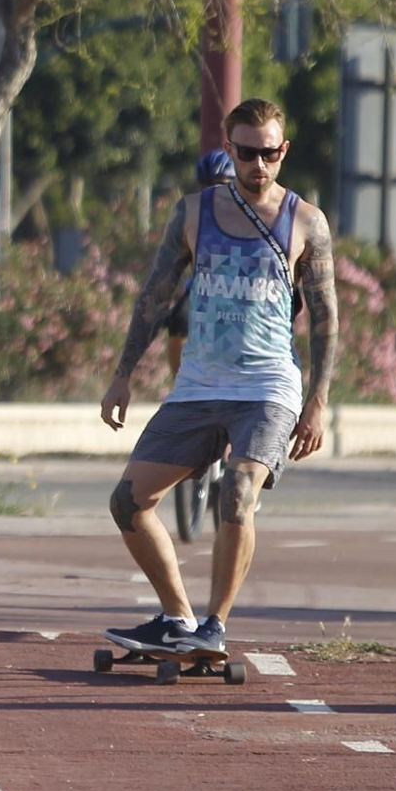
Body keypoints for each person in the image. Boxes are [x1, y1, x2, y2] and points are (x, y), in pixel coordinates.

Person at [99, 98, 339, 660]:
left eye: (270, 153)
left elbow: (326, 317)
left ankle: (215, 626)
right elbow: (155, 296)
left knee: (236, 492)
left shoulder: (306, 221)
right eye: (248, 153)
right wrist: (122, 374)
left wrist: (319, 401)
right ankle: (177, 618)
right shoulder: (192, 214)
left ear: (284, 152)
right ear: (230, 151)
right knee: (127, 501)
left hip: (268, 389)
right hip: (200, 387)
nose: (260, 165)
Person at [164, 148, 236, 541]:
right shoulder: (195, 214)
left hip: (238, 298)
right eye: (209, 187)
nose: (215, 193)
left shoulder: (251, 212)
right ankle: (180, 378)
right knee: (176, 318)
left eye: (222, 186)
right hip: (202, 289)